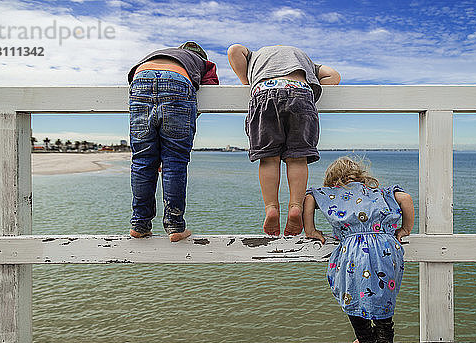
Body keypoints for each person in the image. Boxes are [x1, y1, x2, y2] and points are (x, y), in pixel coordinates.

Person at [303, 157, 414, 343]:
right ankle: (386, 342)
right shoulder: (379, 192)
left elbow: (308, 198)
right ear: (361, 176)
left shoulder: (333, 192)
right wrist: (405, 228)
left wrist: (310, 230)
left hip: (354, 249)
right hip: (387, 247)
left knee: (352, 292)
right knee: (384, 292)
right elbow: (406, 198)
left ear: (332, 179)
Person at [227, 44, 340, 236]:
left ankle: (271, 208)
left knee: (268, 158)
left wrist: (246, 81)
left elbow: (234, 50)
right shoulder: (307, 61)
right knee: (298, 158)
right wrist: (310, 88)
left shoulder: (255, 55)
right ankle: (295, 206)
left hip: (263, 92)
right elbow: (334, 76)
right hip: (301, 92)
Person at [127, 41, 219, 241]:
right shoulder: (204, 63)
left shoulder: (159, 53)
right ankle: (175, 226)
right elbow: (212, 89)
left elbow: (134, 75)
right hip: (177, 83)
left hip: (141, 77)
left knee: (142, 160)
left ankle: (139, 224)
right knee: (175, 162)